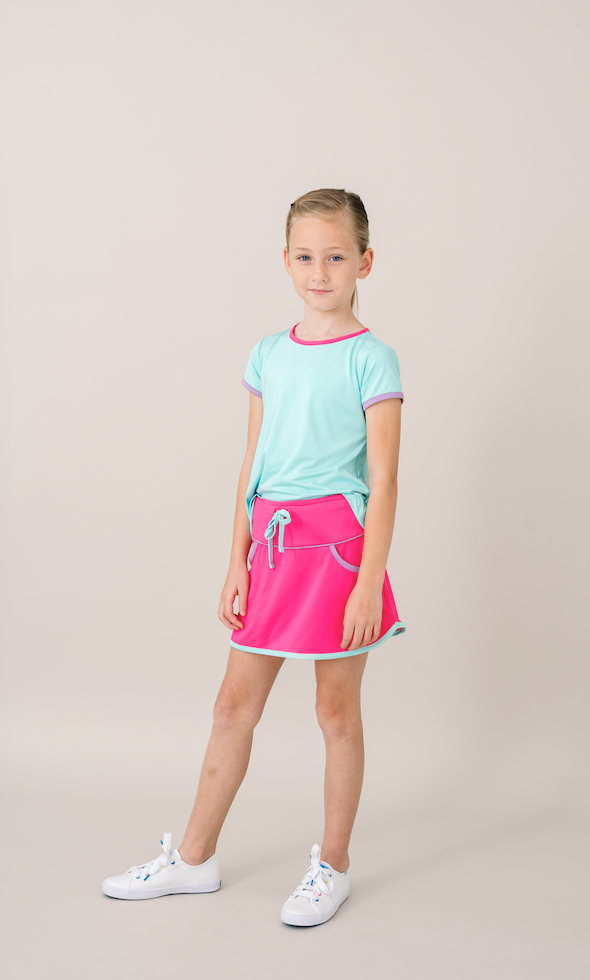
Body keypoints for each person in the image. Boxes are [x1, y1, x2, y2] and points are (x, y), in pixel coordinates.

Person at [102, 187, 406, 926]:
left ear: (365, 262)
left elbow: (383, 478)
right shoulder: (268, 353)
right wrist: (236, 560)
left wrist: (369, 582)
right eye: (305, 256)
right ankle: (194, 858)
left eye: (336, 257)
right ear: (285, 261)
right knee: (232, 706)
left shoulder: (372, 358)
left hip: (338, 555)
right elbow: (252, 463)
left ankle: (333, 865)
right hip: (271, 548)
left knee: (334, 711)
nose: (319, 272)